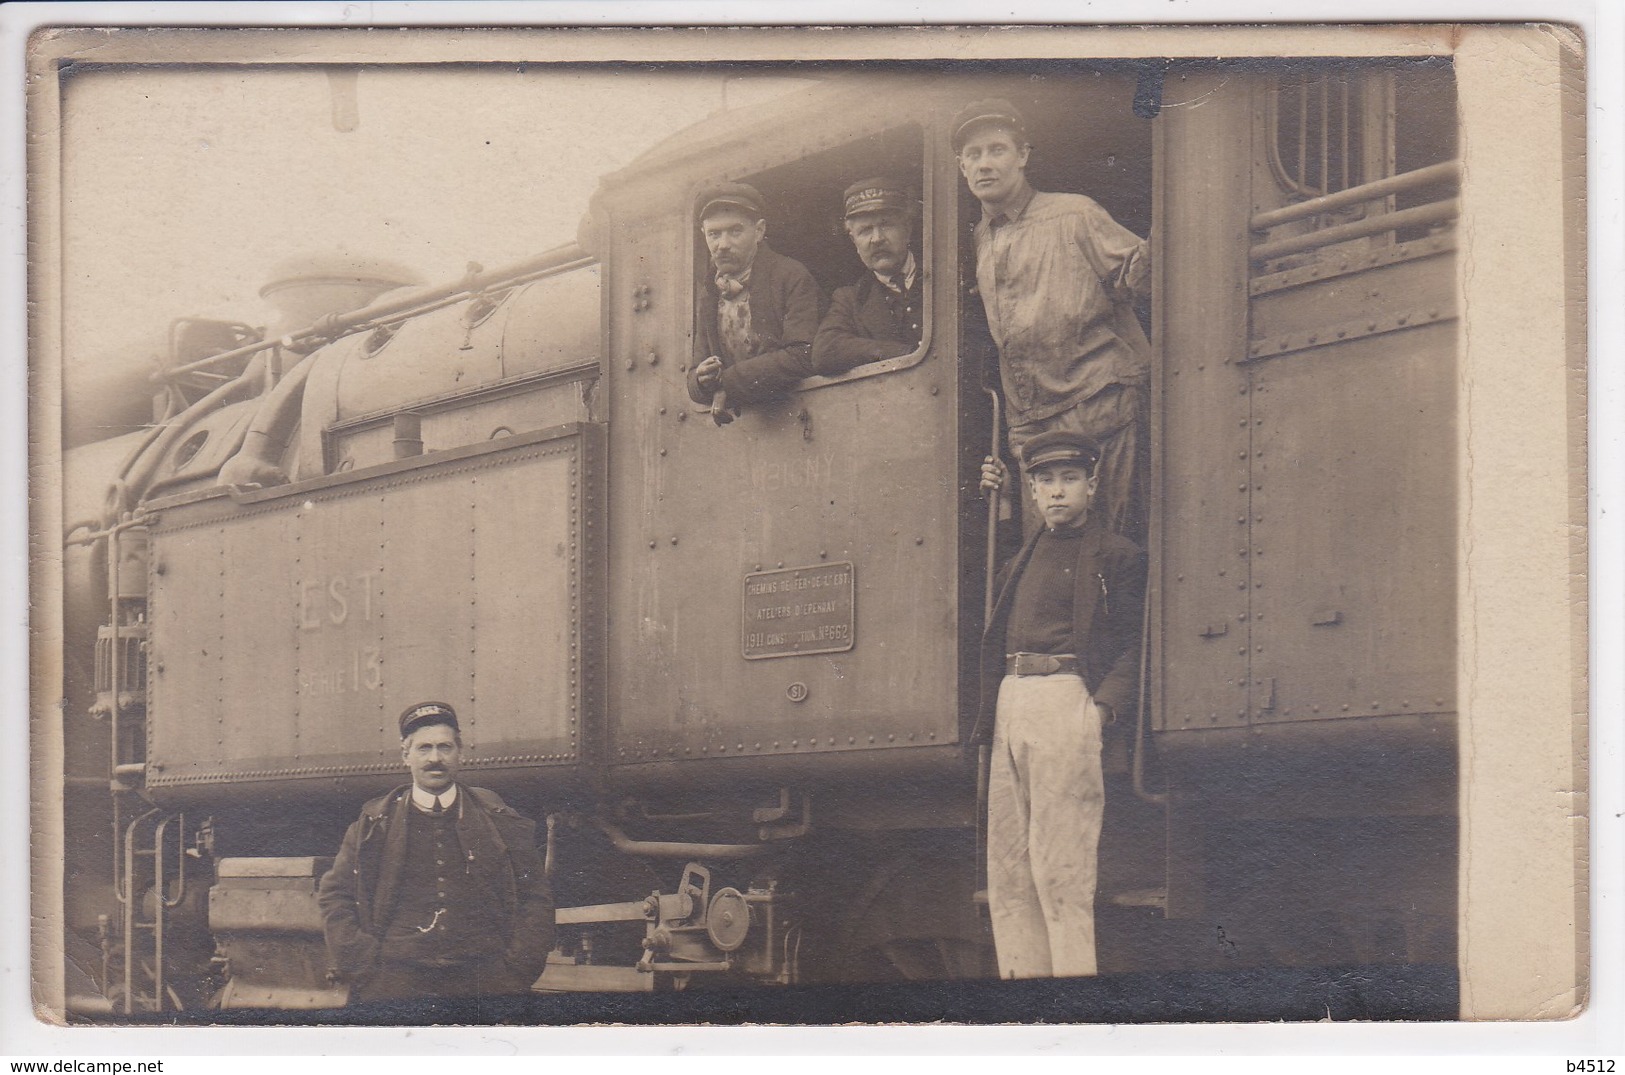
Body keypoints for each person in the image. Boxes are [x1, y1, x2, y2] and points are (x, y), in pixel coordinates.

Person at [972, 431, 1146, 979]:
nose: (1057, 492)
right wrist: (995, 508)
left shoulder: (1117, 555)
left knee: (1061, 870)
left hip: (1065, 699)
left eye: (1069, 479)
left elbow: (1136, 644)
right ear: (1032, 491)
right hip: (1012, 701)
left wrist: (1099, 712)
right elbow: (992, 588)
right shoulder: (1024, 556)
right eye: (1045, 481)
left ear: (1092, 486)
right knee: (1009, 870)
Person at [956, 97, 1151, 540]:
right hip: (1035, 431)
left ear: (1023, 156)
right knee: (1054, 563)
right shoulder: (979, 239)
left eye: (997, 150)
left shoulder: (1074, 214)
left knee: (1111, 554)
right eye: (973, 155)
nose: (985, 164)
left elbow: (1144, 274)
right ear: (961, 166)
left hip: (1099, 409)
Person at [317, 701, 554, 1008]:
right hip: (395, 986)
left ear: (460, 752)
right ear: (406, 755)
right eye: (424, 748)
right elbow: (335, 896)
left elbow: (536, 895)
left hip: (483, 984)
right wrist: (365, 965)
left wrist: (517, 970)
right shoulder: (374, 825)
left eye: (445, 747)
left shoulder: (499, 820)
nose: (435, 759)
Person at [687, 182, 821, 424]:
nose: (723, 244)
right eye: (714, 234)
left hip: (794, 417)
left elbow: (803, 355)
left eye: (735, 231)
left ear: (759, 231)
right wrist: (701, 379)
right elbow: (693, 376)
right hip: (745, 427)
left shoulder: (789, 276)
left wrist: (727, 382)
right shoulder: (710, 293)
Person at [811, 176, 924, 375]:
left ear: (907, 229)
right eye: (865, 230)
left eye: (886, 225)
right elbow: (824, 352)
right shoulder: (849, 299)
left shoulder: (942, 276)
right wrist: (907, 354)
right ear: (854, 241)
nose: (877, 239)